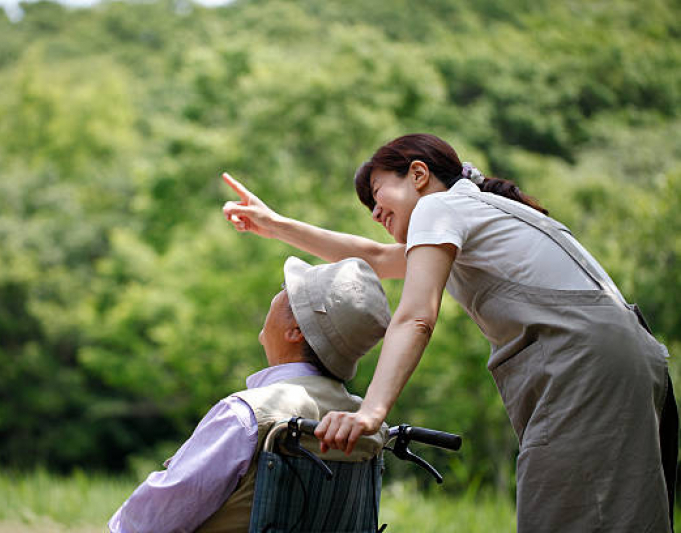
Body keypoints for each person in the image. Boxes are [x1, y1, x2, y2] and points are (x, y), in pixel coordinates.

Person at [222, 133, 678, 532]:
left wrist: (371, 413)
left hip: (588, 366)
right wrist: (276, 225)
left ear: (418, 174)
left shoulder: (440, 207)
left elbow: (417, 315)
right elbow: (379, 259)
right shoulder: (468, 213)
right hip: (624, 358)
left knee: (569, 513)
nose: (374, 210)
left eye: (378, 193)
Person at [108, 256, 391, 533]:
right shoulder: (366, 426)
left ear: (295, 331)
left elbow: (148, 521)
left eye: (286, 289)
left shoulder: (247, 414)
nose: (278, 293)